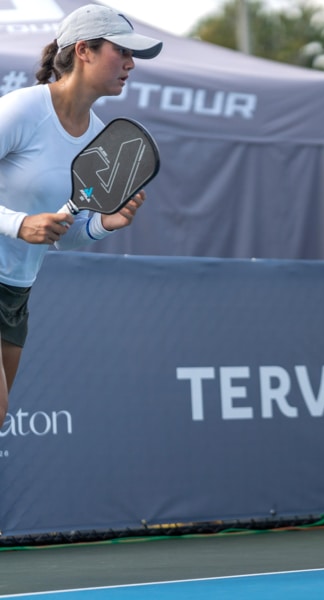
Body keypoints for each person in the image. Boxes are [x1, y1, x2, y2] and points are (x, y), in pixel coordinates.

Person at [0, 4, 162, 428]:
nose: (130, 63)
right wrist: (18, 223)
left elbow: (64, 234)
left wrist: (103, 224)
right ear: (83, 51)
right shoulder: (21, 109)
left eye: (133, 55)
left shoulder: (99, 137)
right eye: (121, 51)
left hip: (16, 290)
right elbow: (29, 226)